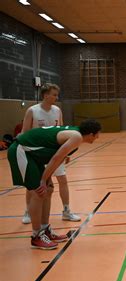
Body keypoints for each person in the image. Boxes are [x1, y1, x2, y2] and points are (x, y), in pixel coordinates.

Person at [7, 119, 101, 249]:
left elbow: (57, 159)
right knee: (38, 192)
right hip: (21, 150)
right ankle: (36, 236)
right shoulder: (76, 137)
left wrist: (47, 179)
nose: (98, 137)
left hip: (34, 155)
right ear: (91, 134)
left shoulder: (75, 136)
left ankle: (45, 230)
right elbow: (56, 157)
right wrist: (43, 180)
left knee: (49, 189)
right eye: (97, 134)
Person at [21, 83, 81, 224]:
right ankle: (28, 211)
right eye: (54, 94)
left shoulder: (57, 110)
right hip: (36, 153)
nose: (56, 97)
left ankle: (66, 211)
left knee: (62, 180)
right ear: (45, 95)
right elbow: (25, 133)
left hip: (55, 152)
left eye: (56, 94)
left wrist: (65, 152)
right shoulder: (32, 111)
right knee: (33, 184)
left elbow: (61, 131)